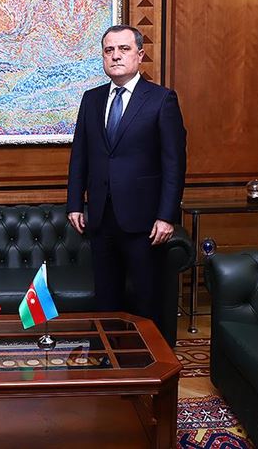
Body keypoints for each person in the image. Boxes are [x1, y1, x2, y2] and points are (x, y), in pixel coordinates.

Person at [66, 24, 186, 329]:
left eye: (124, 49)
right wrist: (75, 204)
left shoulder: (161, 100)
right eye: (109, 50)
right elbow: (80, 155)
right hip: (100, 219)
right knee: (106, 302)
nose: (116, 56)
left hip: (144, 222)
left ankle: (149, 358)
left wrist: (166, 217)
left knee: (146, 301)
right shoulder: (91, 100)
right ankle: (107, 356)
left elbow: (174, 164)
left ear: (140, 55)